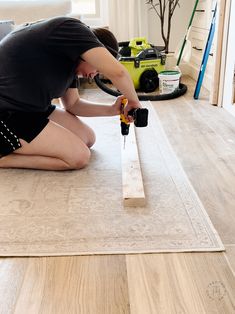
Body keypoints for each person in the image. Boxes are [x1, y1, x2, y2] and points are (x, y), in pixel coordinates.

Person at [0, 17, 141, 170]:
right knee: (78, 157)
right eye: (98, 69)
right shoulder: (70, 28)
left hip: (29, 109)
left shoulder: (70, 58)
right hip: (6, 112)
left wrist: (111, 110)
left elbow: (73, 104)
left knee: (87, 138)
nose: (95, 74)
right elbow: (118, 73)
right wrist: (134, 102)